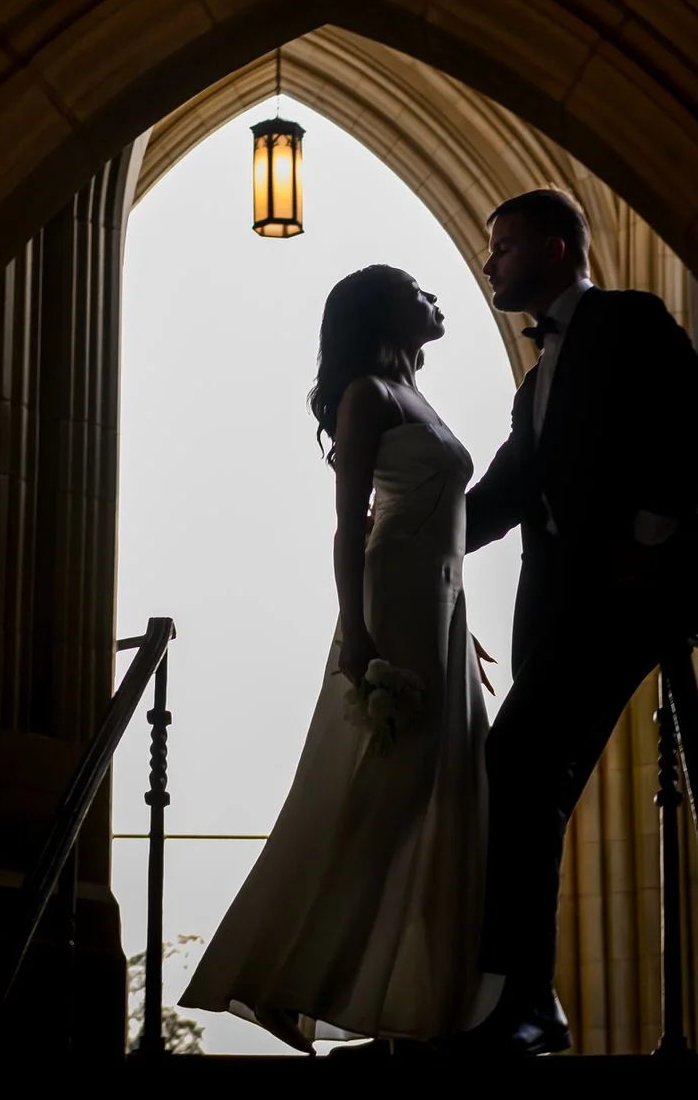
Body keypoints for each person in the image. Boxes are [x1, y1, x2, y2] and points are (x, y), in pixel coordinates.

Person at [185, 265, 490, 1053]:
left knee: (441, 791)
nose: (437, 302)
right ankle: (287, 978)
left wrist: (461, 622)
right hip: (395, 604)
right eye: (420, 292)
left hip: (442, 609)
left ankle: (403, 996)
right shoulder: (369, 397)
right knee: (386, 793)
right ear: (386, 312)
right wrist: (357, 634)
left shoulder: (416, 395)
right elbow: (348, 523)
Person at [452, 187, 698, 1059]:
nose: (491, 264)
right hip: (560, 613)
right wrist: (412, 531)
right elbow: (506, 491)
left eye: (504, 247)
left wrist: (648, 537)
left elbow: (690, 418)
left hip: (629, 599)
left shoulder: (629, 321)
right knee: (525, 786)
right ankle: (526, 1002)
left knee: (515, 767)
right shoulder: (535, 385)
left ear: (558, 249)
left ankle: (522, 1006)